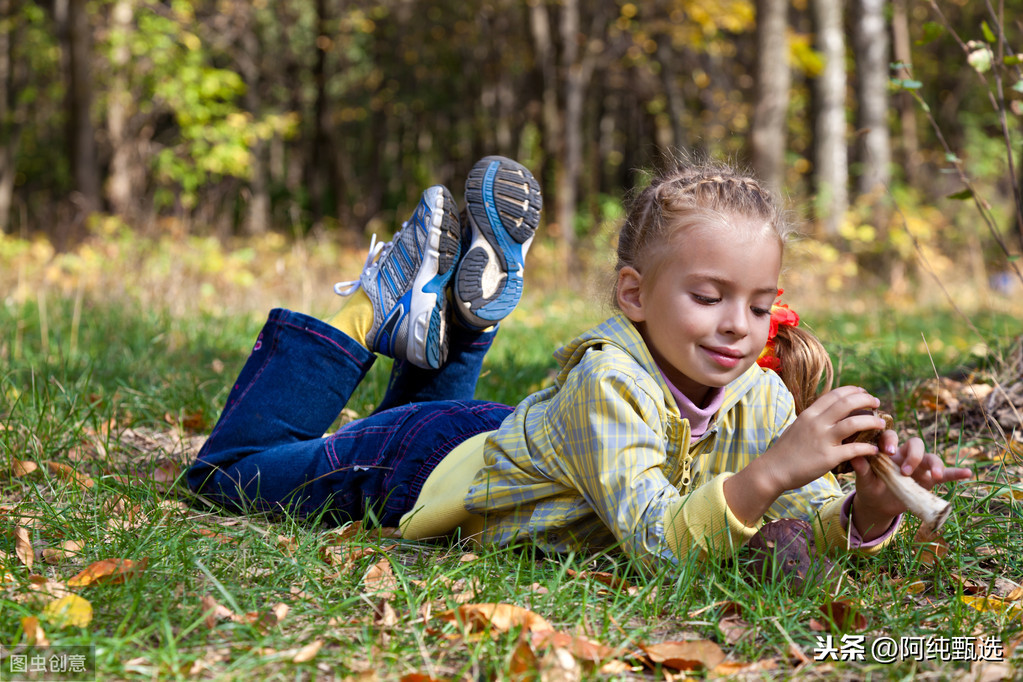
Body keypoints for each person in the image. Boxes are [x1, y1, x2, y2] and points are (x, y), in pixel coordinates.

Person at [187, 156, 971, 570]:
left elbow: (794, 525)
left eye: (759, 303)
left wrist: (868, 509)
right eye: (707, 297)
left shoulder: (759, 396)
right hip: (418, 466)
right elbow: (662, 542)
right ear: (632, 293)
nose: (739, 326)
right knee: (224, 478)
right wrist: (773, 471)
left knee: (436, 423)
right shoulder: (609, 380)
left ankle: (451, 319)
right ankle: (369, 307)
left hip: (521, 452)